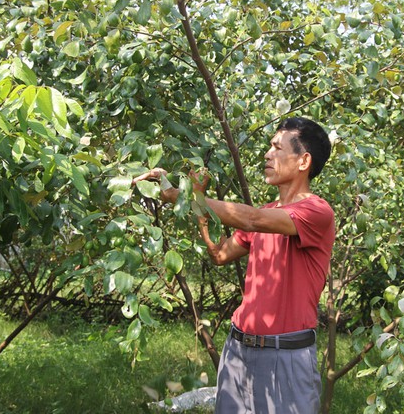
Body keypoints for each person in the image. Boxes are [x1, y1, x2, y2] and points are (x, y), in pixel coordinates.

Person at [134, 117, 335, 413]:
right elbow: (220, 255)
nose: (267, 154)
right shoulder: (265, 213)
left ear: (304, 161)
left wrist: (183, 196)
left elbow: (251, 219)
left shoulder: (316, 212)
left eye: (277, 148)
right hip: (238, 349)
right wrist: (198, 207)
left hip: (287, 356)